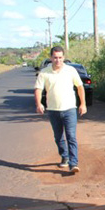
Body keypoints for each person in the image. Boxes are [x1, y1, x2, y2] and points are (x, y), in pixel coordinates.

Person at [34, 46, 87, 174]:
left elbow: (80, 87)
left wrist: (83, 104)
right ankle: (65, 156)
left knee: (71, 136)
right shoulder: (44, 73)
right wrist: (38, 104)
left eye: (60, 57)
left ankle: (73, 163)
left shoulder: (71, 70)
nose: (58, 60)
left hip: (69, 109)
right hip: (53, 110)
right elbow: (38, 89)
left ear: (64, 58)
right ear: (51, 58)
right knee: (58, 137)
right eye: (55, 57)